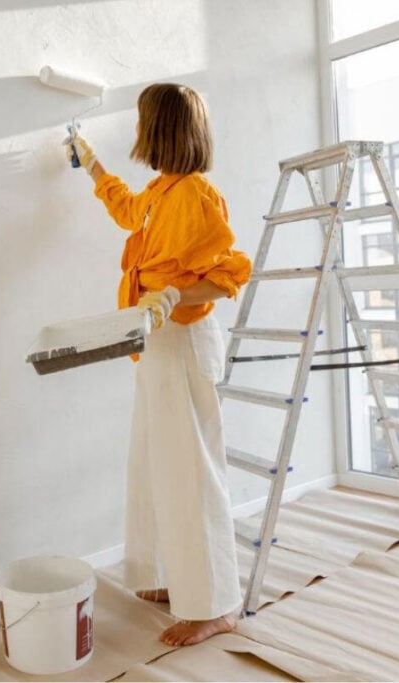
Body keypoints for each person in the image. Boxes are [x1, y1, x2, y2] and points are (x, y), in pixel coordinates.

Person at [67, 83, 252, 646]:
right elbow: (128, 211)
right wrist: (91, 163)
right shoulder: (160, 192)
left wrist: (173, 297)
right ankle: (169, 575)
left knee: (190, 469)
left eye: (143, 122)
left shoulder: (195, 194)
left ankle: (216, 603)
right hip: (152, 342)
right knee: (155, 460)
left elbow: (224, 276)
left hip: (183, 342)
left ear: (161, 129)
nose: (138, 132)